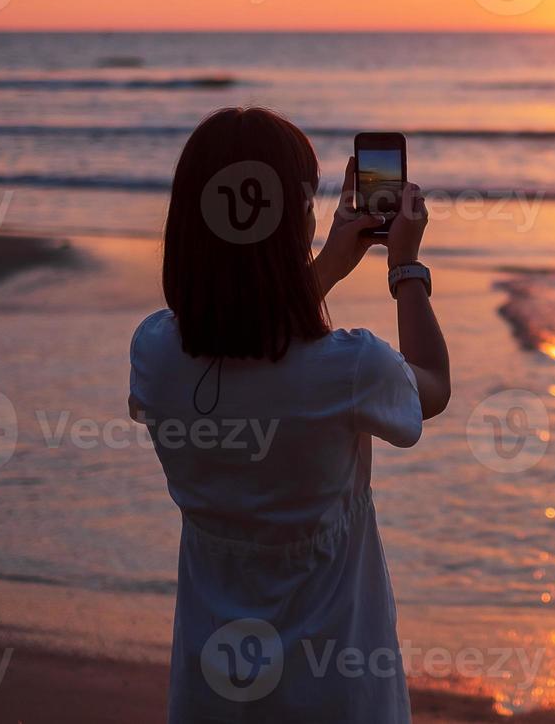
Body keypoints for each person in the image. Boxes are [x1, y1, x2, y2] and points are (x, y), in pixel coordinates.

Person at [128, 107, 449, 722]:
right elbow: (430, 388)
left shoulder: (155, 354)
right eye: (306, 201)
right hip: (336, 687)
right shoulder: (351, 368)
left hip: (212, 686)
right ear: (290, 225)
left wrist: (329, 263)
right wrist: (405, 266)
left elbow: (251, 343)